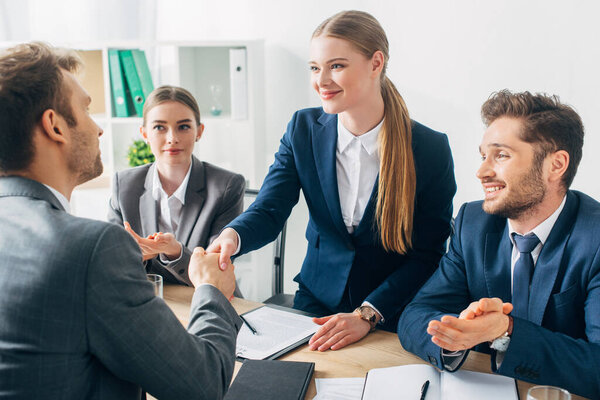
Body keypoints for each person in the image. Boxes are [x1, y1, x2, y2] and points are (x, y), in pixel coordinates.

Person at [0, 42, 241, 400]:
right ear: (54, 126)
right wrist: (210, 289)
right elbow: (203, 384)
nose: (98, 128)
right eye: (85, 109)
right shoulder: (91, 247)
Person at [208, 10, 456, 351]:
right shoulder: (302, 129)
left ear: (375, 63)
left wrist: (368, 313)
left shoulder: (428, 148)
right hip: (316, 303)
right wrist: (231, 238)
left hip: (391, 311)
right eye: (314, 67)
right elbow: (269, 208)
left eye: (336, 66)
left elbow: (428, 255)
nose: (320, 81)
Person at [398, 90, 600, 399]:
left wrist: (505, 331)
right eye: (483, 156)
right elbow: (416, 314)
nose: (481, 172)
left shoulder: (595, 238)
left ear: (556, 165)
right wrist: (454, 333)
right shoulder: (472, 222)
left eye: (501, 155)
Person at [108, 85, 245, 287]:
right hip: (148, 301)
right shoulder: (124, 185)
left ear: (199, 131)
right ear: (144, 133)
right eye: (159, 127)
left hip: (207, 303)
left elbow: (216, 271)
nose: (172, 138)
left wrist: (175, 252)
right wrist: (135, 256)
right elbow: (110, 262)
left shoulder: (227, 186)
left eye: (183, 127)